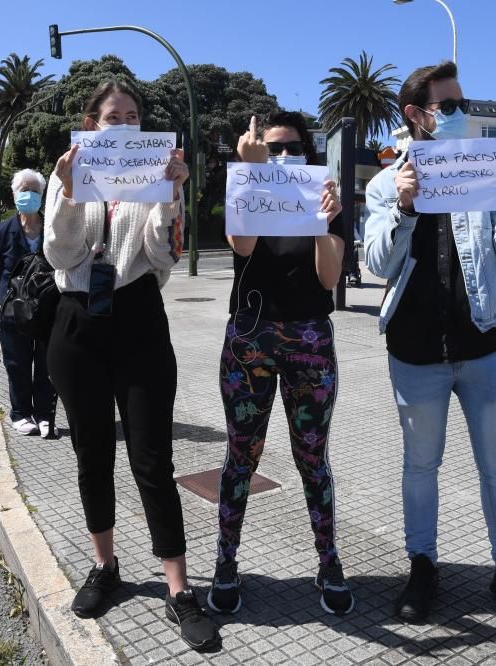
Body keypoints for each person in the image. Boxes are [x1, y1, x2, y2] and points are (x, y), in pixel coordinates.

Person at [364, 62, 496, 628]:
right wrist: (403, 207)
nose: (458, 113)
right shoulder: (385, 183)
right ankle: (423, 568)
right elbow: (375, 262)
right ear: (415, 115)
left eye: (460, 103)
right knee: (420, 466)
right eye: (446, 105)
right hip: (415, 353)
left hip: (486, 347)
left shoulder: (482, 170)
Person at [43, 79, 219, 651]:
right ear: (92, 123)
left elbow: (164, 255)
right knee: (91, 453)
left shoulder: (154, 177)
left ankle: (178, 589)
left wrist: (170, 194)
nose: (123, 122)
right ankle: (105, 566)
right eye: (112, 114)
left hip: (139, 319)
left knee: (152, 459)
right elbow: (59, 254)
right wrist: (69, 191)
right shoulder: (65, 171)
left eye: (133, 115)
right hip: (77, 321)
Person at [208, 111, 354, 616]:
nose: (284, 157)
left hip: (310, 339)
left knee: (313, 458)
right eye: (273, 149)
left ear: (309, 153)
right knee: (241, 455)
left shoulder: (328, 200)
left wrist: (321, 221)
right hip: (250, 339)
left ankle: (329, 560)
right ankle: (226, 561)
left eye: (293, 148)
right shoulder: (244, 191)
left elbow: (329, 276)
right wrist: (248, 177)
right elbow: (241, 245)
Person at [0, 169, 56, 437]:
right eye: (23, 191)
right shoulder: (1, 231)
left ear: (42, 195)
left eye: (35, 191)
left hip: (48, 309)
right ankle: (20, 413)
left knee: (46, 363)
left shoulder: (54, 227)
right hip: (12, 310)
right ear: (14, 195)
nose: (29, 195)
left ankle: (43, 413)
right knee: (16, 364)